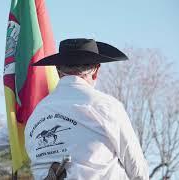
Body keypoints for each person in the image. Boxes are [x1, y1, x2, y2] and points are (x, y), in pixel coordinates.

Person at [25, 38, 149, 180]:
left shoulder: (36, 113)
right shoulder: (107, 106)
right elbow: (137, 168)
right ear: (96, 70)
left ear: (58, 71)